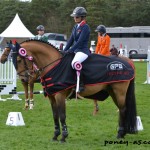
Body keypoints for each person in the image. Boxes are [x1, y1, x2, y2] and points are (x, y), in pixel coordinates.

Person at [64, 7, 91, 91]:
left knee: (74, 63)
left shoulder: (85, 27)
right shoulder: (75, 27)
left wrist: (70, 50)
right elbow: (71, 40)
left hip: (83, 51)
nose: (75, 18)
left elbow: (79, 41)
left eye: (77, 17)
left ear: (82, 17)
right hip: (76, 51)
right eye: (74, 17)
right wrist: (64, 51)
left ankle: (81, 84)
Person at [93, 25, 111, 115]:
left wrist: (100, 55)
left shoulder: (107, 37)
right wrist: (95, 54)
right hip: (99, 54)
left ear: (102, 31)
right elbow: (98, 45)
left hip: (106, 55)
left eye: (99, 31)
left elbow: (105, 47)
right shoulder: (99, 37)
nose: (98, 33)